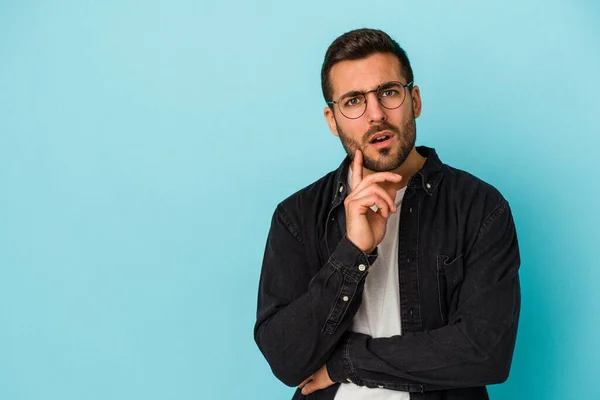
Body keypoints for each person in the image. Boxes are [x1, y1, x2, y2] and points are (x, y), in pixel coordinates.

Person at [253, 28, 521, 400]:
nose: (376, 115)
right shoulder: (296, 217)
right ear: (333, 121)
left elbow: (485, 352)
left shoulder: (479, 207)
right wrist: (353, 253)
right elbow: (285, 359)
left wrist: (345, 362)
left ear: (415, 100)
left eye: (388, 92)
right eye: (353, 101)